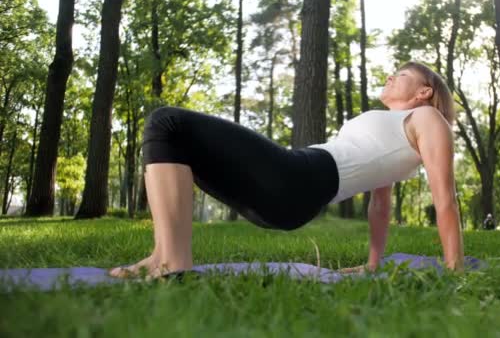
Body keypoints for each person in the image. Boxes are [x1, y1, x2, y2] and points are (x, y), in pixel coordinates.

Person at [109, 61, 464, 279]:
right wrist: (373, 264)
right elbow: (380, 205)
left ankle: (173, 262)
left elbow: (445, 199)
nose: (390, 75)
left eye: (400, 73)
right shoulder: (393, 123)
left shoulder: (428, 118)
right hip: (291, 190)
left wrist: (454, 268)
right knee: (175, 139)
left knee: (167, 122)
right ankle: (163, 256)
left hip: (299, 178)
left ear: (424, 90)